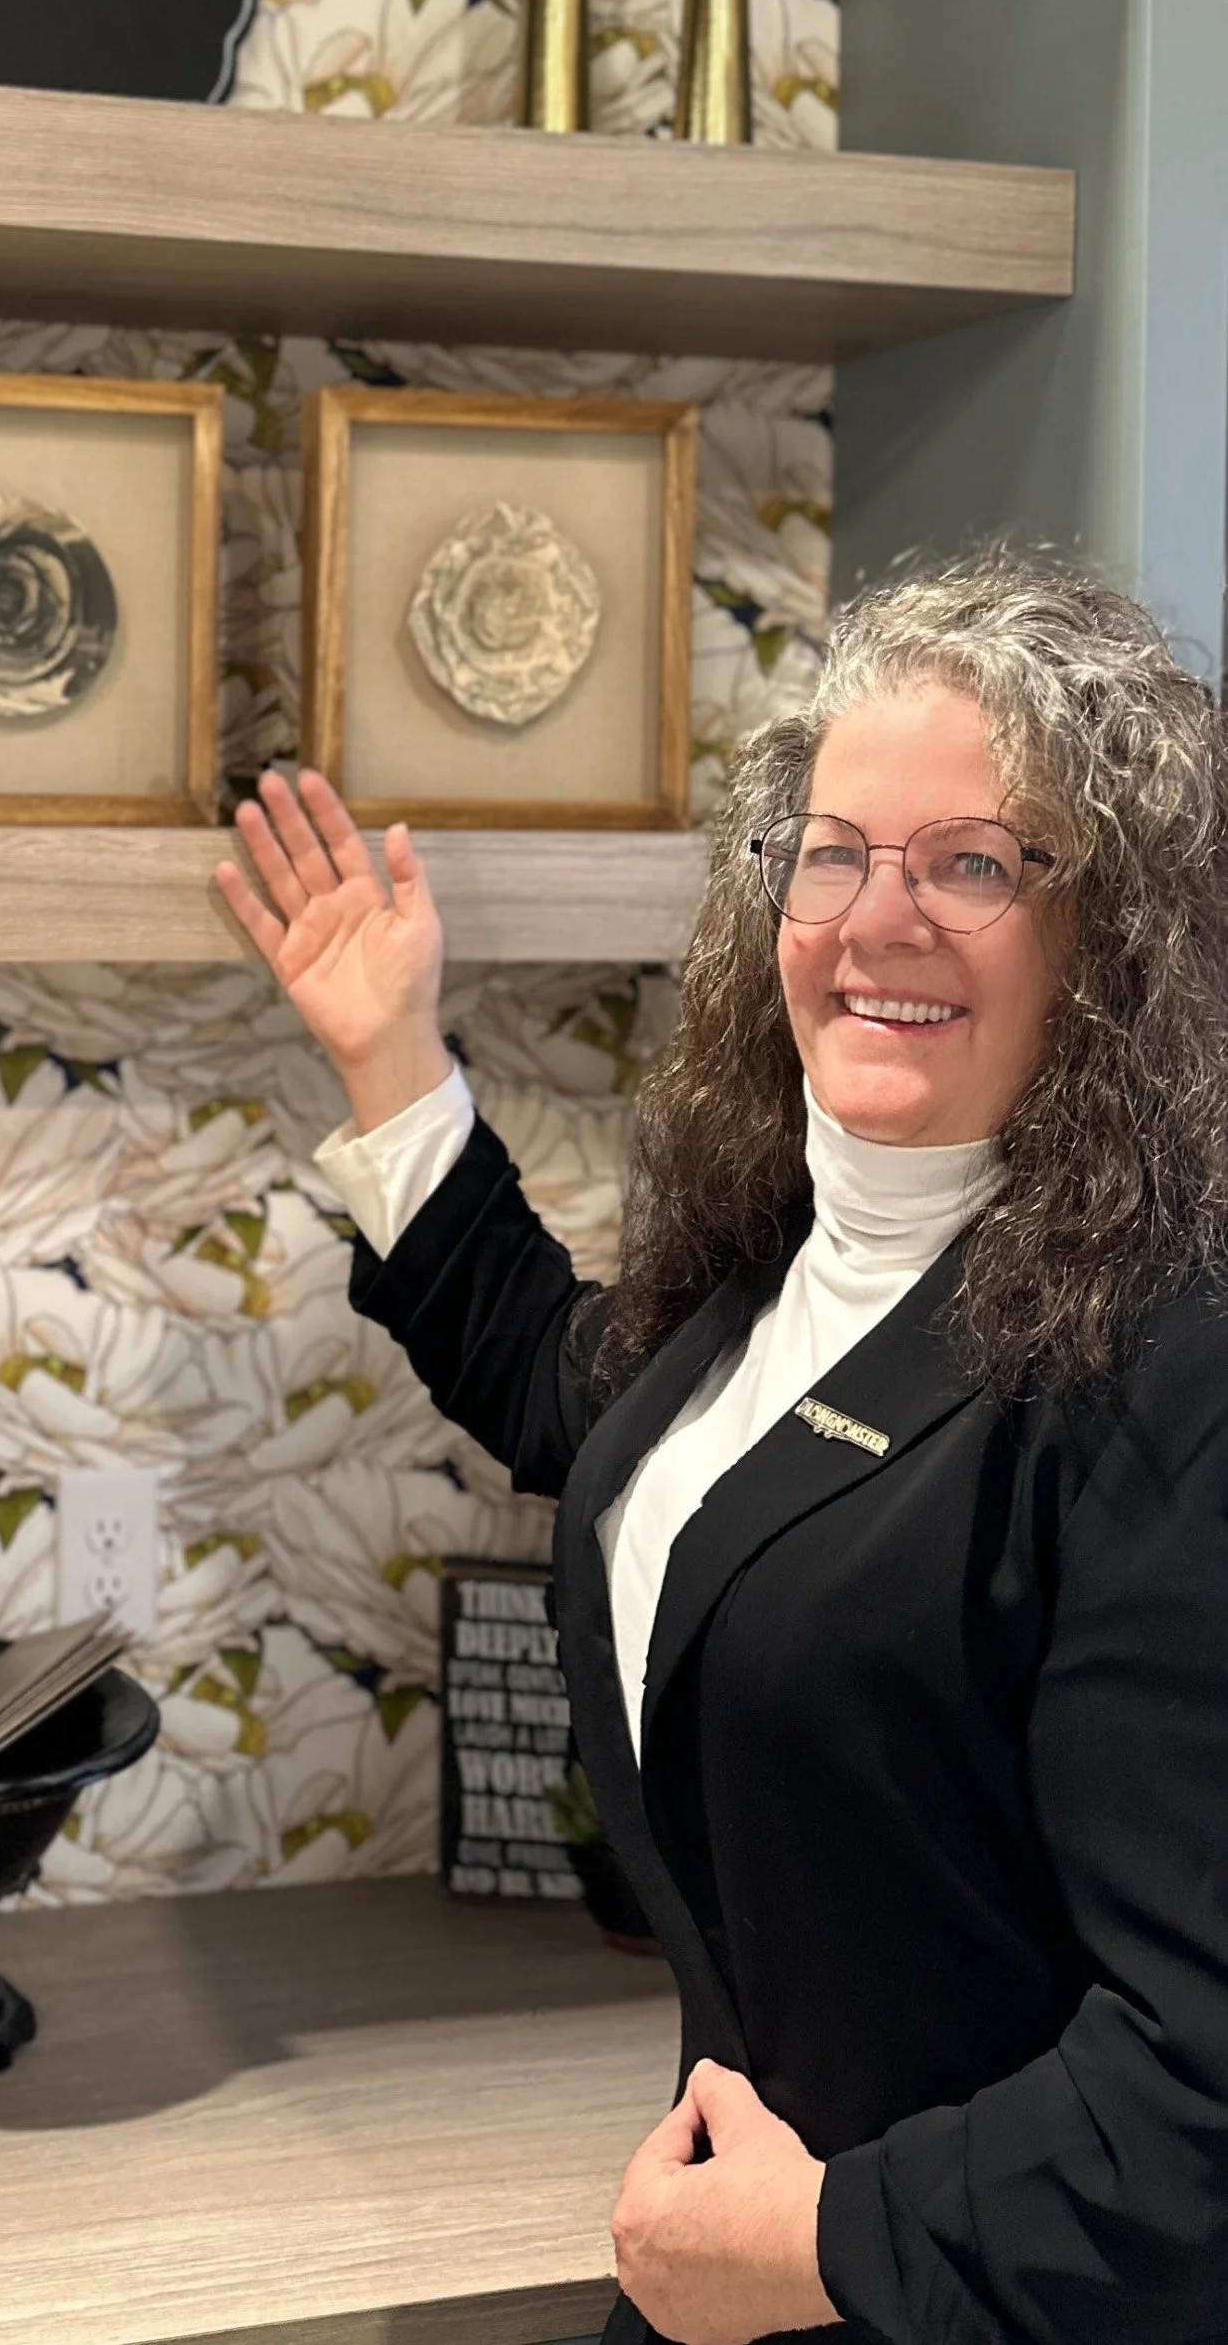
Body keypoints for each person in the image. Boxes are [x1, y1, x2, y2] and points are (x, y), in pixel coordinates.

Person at [216, 553, 1228, 2345]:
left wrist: (826, 2242)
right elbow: (581, 1402)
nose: (877, 915)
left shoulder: (1170, 1369)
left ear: (1112, 930)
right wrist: (388, 1055)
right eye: (832, 848)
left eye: (974, 860)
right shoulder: (785, 1257)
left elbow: (1198, 2098)